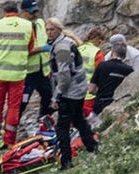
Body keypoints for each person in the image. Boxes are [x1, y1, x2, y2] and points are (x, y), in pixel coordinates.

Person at [46, 19, 98, 168]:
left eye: (52, 30)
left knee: (62, 127)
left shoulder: (61, 47)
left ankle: (66, 162)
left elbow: (64, 75)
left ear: (59, 29)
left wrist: (57, 96)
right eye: (47, 30)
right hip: (78, 89)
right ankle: (92, 146)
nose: (49, 33)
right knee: (78, 120)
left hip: (70, 91)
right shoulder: (66, 42)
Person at [0, 1, 35, 148]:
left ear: (4, 12)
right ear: (17, 12)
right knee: (13, 107)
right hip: (17, 75)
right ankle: (9, 141)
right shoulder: (27, 25)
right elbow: (30, 47)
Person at [18, 0, 53, 122]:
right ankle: (10, 131)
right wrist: (41, 49)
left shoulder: (40, 23)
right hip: (26, 74)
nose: (35, 14)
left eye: (36, 11)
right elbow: (21, 51)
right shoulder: (20, 27)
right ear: (23, 12)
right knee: (22, 103)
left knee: (49, 98)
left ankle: (43, 124)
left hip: (42, 72)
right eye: (31, 12)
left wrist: (48, 69)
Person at [88, 45, 135, 115]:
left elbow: (91, 89)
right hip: (118, 105)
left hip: (100, 103)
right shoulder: (129, 70)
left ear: (112, 52)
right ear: (125, 55)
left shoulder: (102, 65)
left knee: (97, 125)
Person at [78, 27, 106, 118]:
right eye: (101, 40)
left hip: (75, 90)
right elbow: (101, 72)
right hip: (90, 93)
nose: (101, 43)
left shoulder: (79, 49)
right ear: (97, 39)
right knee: (88, 119)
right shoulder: (97, 53)